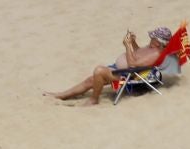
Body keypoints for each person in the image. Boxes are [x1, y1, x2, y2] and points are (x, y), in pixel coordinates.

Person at [46, 27, 176, 106]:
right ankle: (60, 95)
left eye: (153, 37)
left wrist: (126, 46)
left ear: (159, 43)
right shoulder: (151, 48)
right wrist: (133, 43)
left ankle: (94, 100)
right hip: (121, 69)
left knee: (99, 71)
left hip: (128, 75)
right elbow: (137, 54)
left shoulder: (156, 54)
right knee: (90, 80)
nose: (150, 38)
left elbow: (133, 65)